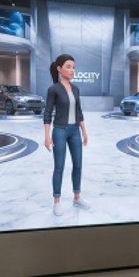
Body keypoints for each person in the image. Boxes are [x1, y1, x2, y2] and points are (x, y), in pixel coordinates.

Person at [42, 54, 90, 216]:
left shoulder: (76, 89)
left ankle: (77, 197)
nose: (72, 70)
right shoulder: (53, 89)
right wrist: (47, 136)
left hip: (74, 131)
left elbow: (79, 112)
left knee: (78, 165)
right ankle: (57, 201)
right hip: (60, 131)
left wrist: (84, 131)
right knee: (59, 166)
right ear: (59, 69)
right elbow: (47, 113)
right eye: (68, 67)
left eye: (73, 67)